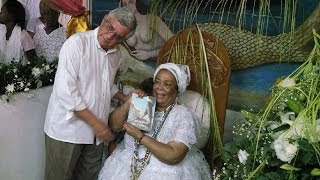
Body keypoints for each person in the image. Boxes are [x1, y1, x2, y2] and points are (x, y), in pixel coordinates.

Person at [43, 7, 137, 180]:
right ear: (105, 19)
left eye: (119, 37)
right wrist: (98, 125)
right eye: (110, 28)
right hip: (68, 131)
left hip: (95, 136)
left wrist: (124, 98)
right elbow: (67, 92)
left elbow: (105, 86)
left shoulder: (116, 55)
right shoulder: (77, 43)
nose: (111, 37)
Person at [98, 63, 212, 180]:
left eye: (167, 84)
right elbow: (114, 126)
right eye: (157, 82)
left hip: (166, 173)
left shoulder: (183, 116)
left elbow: (174, 155)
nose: (159, 87)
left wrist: (140, 137)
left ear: (177, 89)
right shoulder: (144, 105)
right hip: (127, 166)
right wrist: (128, 103)